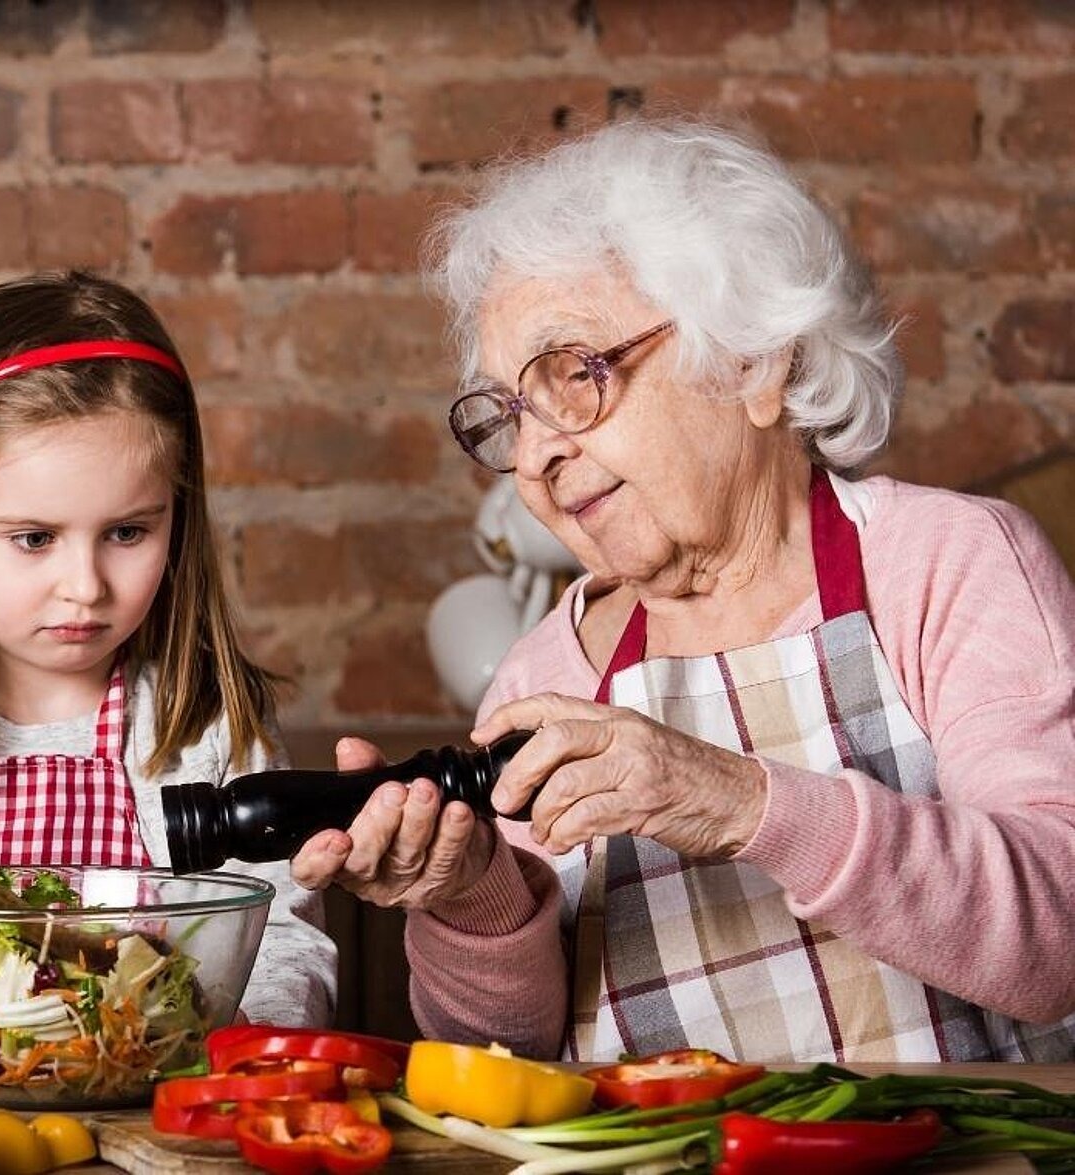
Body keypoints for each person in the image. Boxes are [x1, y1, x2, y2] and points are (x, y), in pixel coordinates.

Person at [290, 119, 1075, 1062]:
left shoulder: (943, 564)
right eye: (507, 414)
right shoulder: (549, 673)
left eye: (574, 376)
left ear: (752, 359)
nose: (534, 456)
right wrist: (474, 897)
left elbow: (1059, 940)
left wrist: (743, 803)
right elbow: (502, 1052)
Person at [0, 271, 337, 1030]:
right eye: (34, 538)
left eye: (128, 532)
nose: (85, 586)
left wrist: (246, 1048)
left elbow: (276, 942)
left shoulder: (205, 727)